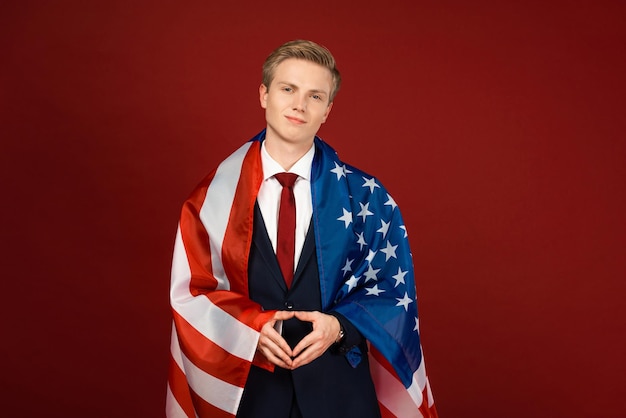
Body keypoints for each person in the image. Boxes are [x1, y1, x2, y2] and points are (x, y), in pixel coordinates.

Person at [166, 39, 437, 418]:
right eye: (288, 89)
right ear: (264, 94)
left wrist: (340, 327)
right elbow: (192, 294)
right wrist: (250, 329)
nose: (299, 105)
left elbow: (393, 293)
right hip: (251, 396)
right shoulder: (211, 199)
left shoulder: (368, 199)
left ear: (327, 110)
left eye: (315, 96)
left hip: (340, 396)